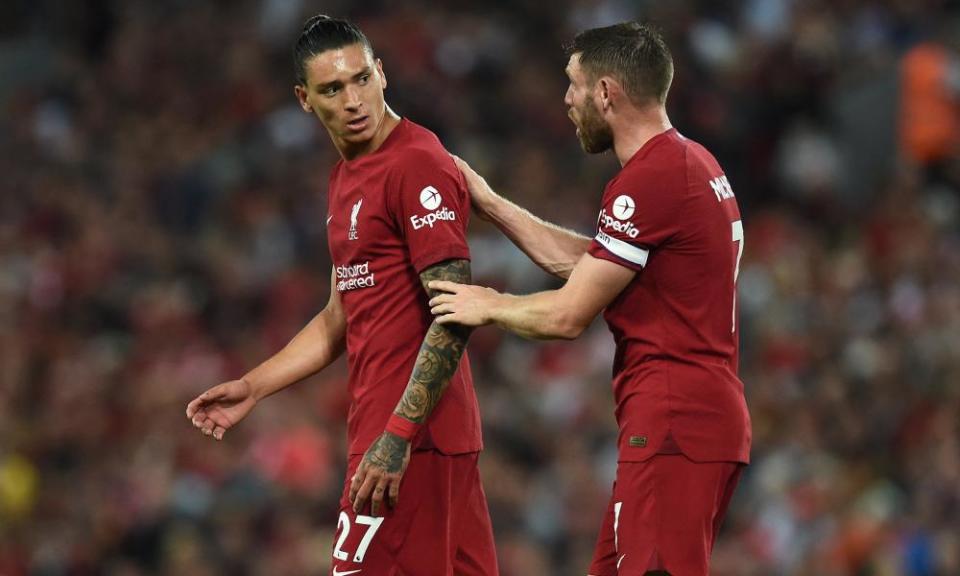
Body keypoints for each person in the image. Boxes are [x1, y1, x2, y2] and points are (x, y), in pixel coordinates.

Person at [429, 22, 751, 576]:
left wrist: (489, 304)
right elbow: (591, 267)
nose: (567, 100)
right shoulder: (693, 162)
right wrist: (493, 205)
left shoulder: (651, 178)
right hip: (695, 417)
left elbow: (567, 313)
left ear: (606, 92)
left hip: (675, 420)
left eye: (573, 85)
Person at [185, 15, 498, 576]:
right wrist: (254, 386)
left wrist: (398, 435)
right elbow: (339, 316)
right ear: (305, 99)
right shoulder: (347, 177)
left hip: (411, 438)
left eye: (360, 79)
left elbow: (456, 313)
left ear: (382, 73)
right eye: (332, 89)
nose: (353, 99)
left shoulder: (416, 163)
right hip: (407, 435)